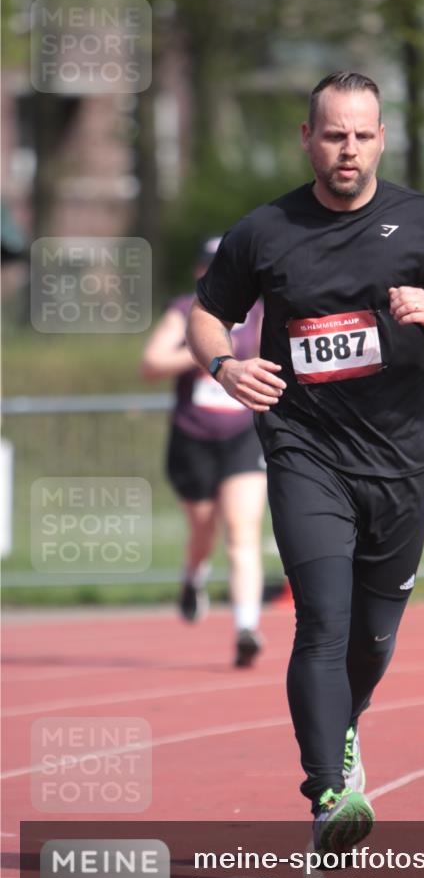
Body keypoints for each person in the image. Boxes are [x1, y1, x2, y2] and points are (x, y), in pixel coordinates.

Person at [187, 72, 424, 849]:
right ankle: (330, 793)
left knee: (372, 640)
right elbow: (210, 313)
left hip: (404, 457)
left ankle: (344, 726)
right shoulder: (264, 232)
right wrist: (225, 367)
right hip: (305, 449)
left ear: (381, 138)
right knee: (321, 624)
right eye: (333, 134)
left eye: (362, 135)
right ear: (307, 137)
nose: (348, 149)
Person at [141, 237, 266, 668]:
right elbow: (152, 362)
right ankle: (193, 576)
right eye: (210, 268)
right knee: (202, 531)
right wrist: (207, 352)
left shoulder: (258, 314)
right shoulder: (184, 312)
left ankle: (246, 628)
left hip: (241, 436)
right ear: (199, 272)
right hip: (193, 438)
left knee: (241, 530)